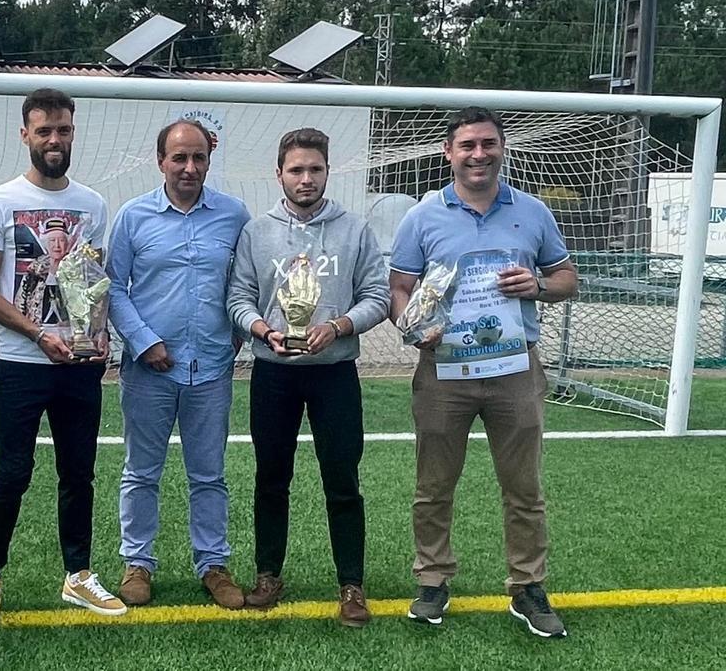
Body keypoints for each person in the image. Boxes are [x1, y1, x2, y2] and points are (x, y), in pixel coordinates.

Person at [388, 106, 579, 638]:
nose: (478, 154)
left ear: (501, 149)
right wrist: (411, 326)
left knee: (524, 487)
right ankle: (432, 578)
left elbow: (567, 277)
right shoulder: (422, 216)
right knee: (433, 484)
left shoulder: (533, 212)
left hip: (515, 369)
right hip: (443, 368)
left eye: (488, 144)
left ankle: (527, 586)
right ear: (449, 152)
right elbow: (399, 289)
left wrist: (536, 287)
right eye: (467, 145)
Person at [0, 88, 125, 631]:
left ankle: (78, 574)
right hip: (21, 361)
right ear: (25, 134)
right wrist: (37, 334)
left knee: (79, 473)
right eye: (43, 130)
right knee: (12, 473)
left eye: (63, 130)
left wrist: (97, 335)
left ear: (73, 133)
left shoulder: (93, 203)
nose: (53, 139)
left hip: (80, 363)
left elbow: (92, 283)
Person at [226, 128, 389, 625]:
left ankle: (352, 585)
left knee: (343, 481)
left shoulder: (354, 229)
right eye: (296, 170)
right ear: (280, 174)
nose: (306, 178)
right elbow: (238, 297)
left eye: (314, 169)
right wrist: (261, 330)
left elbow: (378, 296)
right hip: (274, 373)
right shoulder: (257, 231)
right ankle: (268, 574)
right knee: (271, 479)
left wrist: (338, 326)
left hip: (334, 373)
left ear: (327, 172)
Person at [107, 119, 250, 609]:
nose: (189, 168)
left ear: (209, 160)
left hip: (211, 370)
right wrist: (144, 342)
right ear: (160, 160)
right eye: (179, 158)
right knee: (141, 472)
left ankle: (213, 564)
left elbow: (244, 283)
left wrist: (235, 335)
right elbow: (113, 288)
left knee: (209, 474)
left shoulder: (234, 216)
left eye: (198, 158)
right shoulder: (132, 217)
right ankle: (138, 564)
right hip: (149, 371)